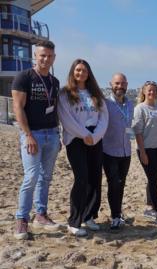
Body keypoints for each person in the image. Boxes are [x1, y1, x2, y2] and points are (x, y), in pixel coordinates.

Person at [12, 40, 61, 239]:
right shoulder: (24, 77)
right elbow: (17, 107)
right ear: (35, 55)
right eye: (42, 55)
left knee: (46, 177)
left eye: (49, 56)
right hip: (33, 134)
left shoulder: (54, 82)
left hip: (52, 133)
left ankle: (40, 214)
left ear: (54, 58)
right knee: (31, 176)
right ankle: (21, 219)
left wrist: (59, 134)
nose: (45, 59)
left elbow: (56, 108)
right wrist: (28, 135)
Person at [58, 59, 109, 236]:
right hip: (76, 139)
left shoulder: (95, 93)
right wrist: (84, 135)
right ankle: (74, 221)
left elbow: (104, 117)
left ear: (89, 73)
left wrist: (95, 136)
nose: (81, 73)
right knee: (81, 178)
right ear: (73, 72)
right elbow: (66, 119)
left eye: (84, 70)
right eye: (78, 70)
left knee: (95, 178)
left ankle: (89, 216)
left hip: (95, 139)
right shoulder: (65, 94)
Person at [132, 81, 157, 227]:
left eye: (154, 90)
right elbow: (138, 132)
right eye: (149, 90)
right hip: (147, 149)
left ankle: (150, 209)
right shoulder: (139, 108)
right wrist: (142, 152)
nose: (151, 93)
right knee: (153, 180)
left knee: (154, 178)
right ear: (144, 92)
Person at [102, 73, 134, 230]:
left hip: (126, 151)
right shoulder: (105, 103)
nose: (119, 86)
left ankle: (118, 212)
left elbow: (130, 127)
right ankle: (115, 217)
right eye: (116, 83)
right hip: (109, 151)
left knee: (121, 185)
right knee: (113, 184)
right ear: (111, 84)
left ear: (127, 85)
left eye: (122, 83)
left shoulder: (130, 104)